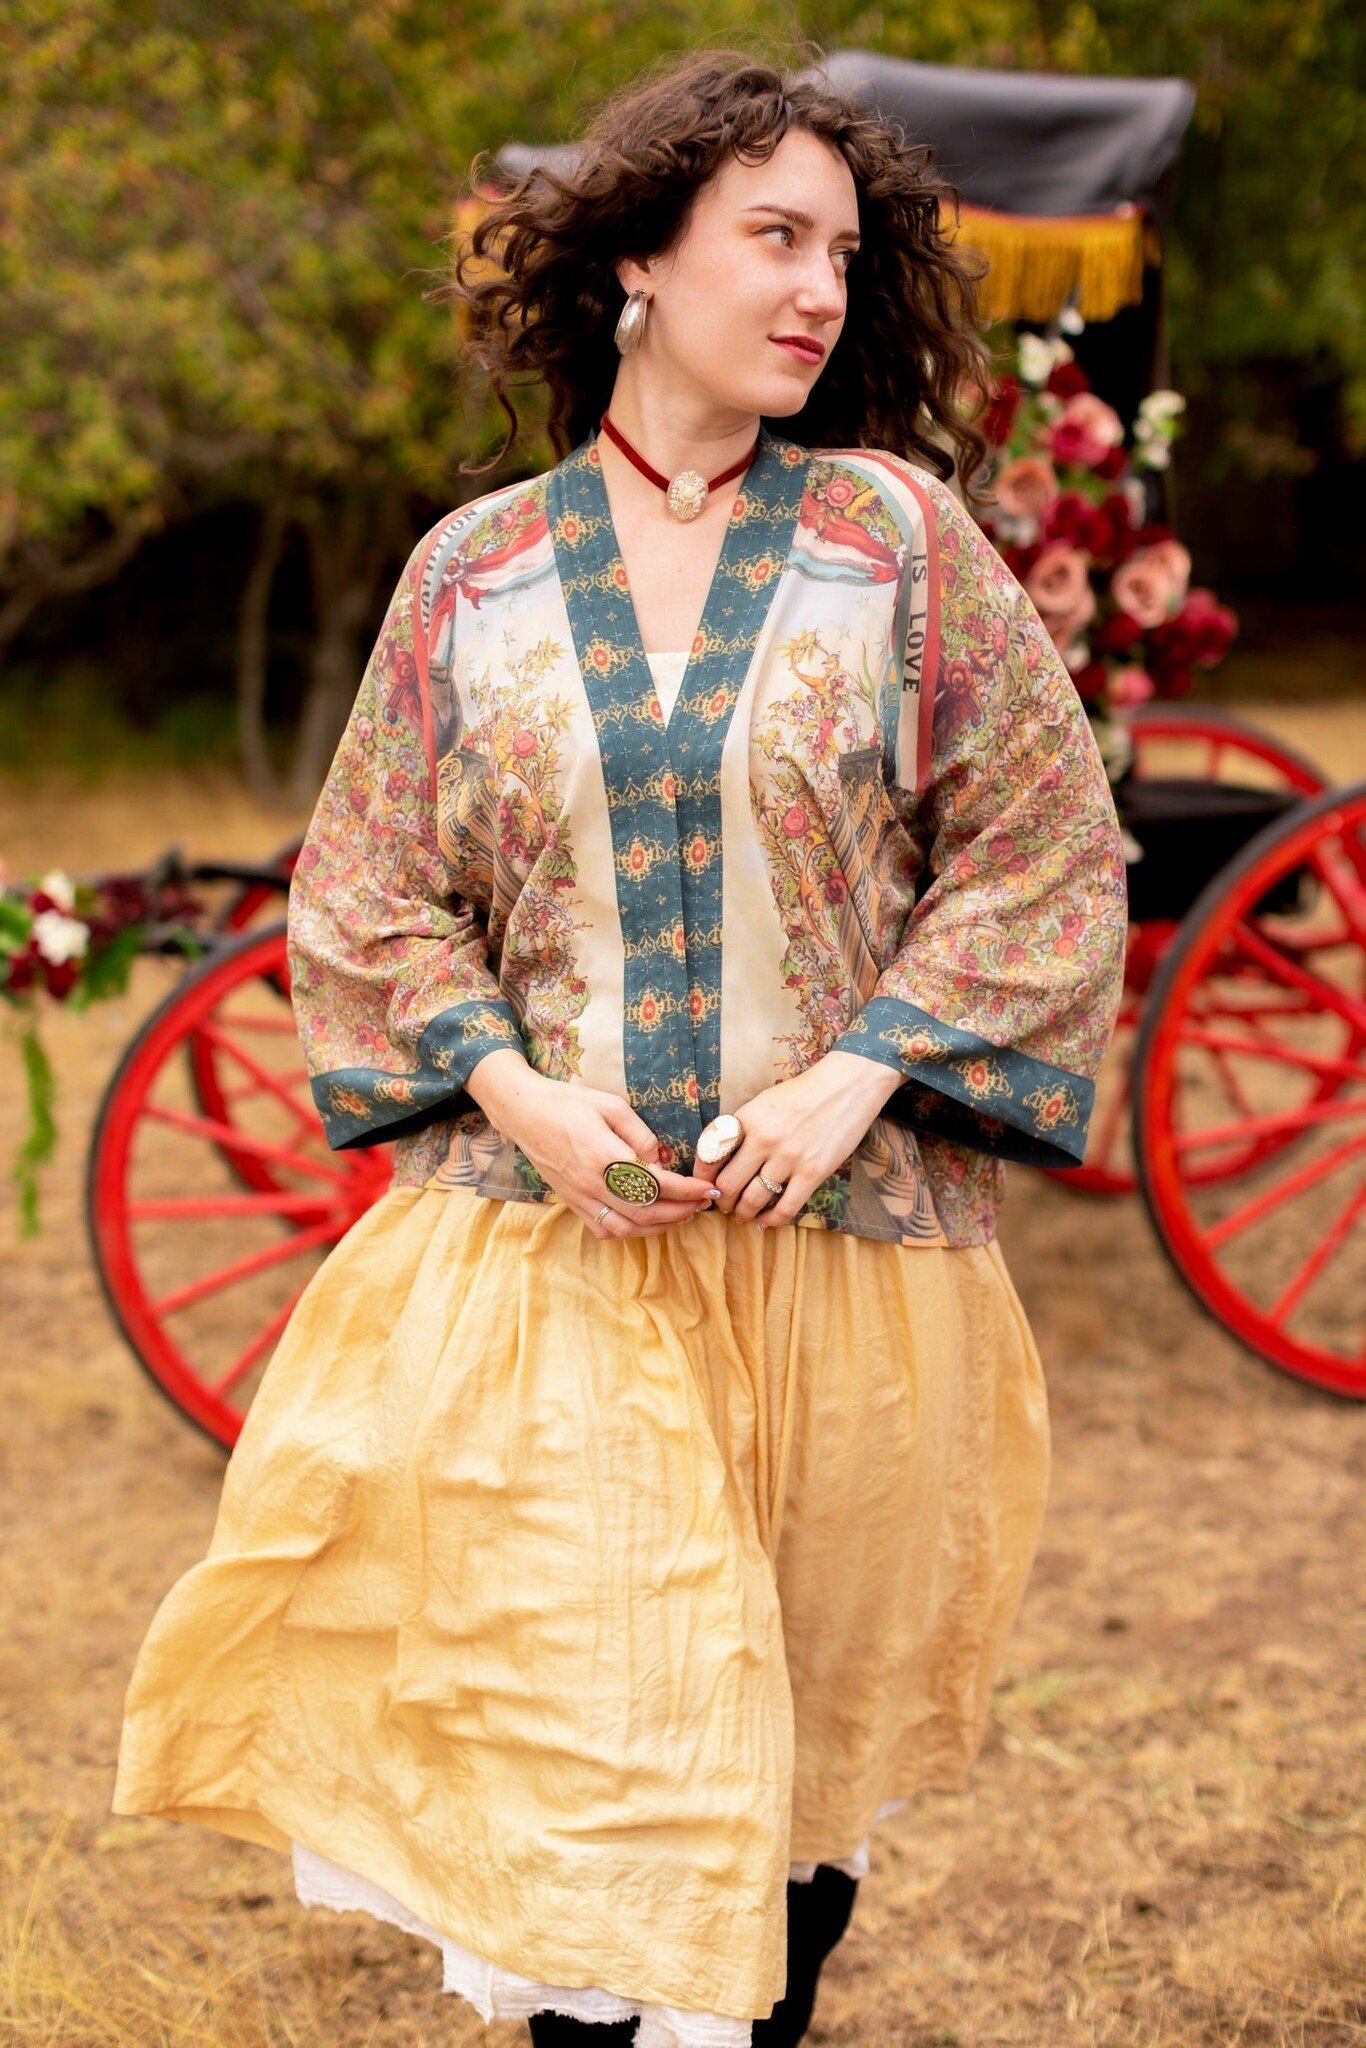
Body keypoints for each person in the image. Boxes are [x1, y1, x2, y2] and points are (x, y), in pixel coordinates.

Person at [111, 43, 1129, 2048]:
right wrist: (515, 1093)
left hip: (850, 1278)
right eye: (774, 237)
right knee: (592, 1775)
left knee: (789, 1794)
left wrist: (853, 1074)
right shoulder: (470, 574)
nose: (817, 288)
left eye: (843, 254)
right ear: (639, 263)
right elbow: (369, 889)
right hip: (547, 1262)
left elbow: (1042, 844)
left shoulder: (899, 546)